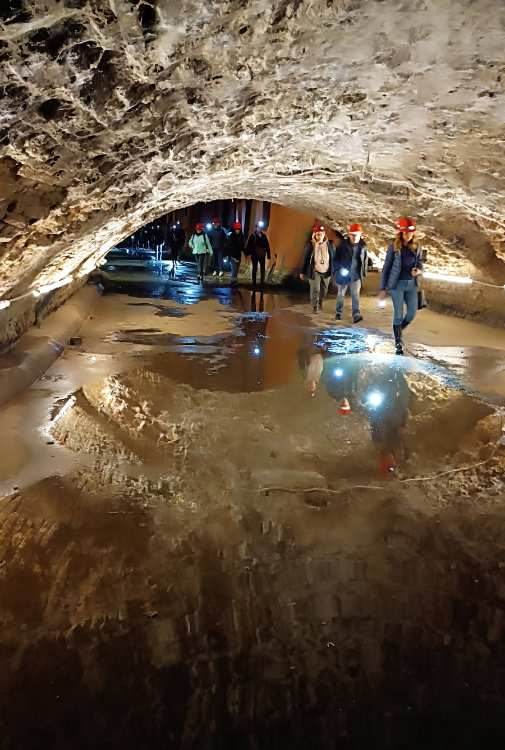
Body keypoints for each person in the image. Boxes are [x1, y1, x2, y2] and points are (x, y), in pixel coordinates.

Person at [379, 217, 423, 355]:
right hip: (396, 285)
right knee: (398, 315)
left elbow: (421, 264)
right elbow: (386, 267)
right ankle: (398, 343)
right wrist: (383, 288)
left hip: (411, 284)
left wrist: (419, 270)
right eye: (406, 232)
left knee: (411, 313)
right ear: (401, 233)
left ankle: (398, 331)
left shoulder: (417, 246)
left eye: (410, 233)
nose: (408, 235)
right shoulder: (394, 247)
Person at [333, 223, 368, 323]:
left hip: (356, 275)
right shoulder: (343, 245)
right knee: (341, 294)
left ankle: (356, 314)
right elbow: (335, 259)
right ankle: (338, 313)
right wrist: (339, 269)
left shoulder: (363, 246)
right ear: (349, 234)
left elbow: (364, 260)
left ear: (360, 235)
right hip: (343, 275)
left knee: (355, 295)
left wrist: (363, 273)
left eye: (356, 234)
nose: (354, 237)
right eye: (352, 234)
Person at [300, 223, 336, 313]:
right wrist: (302, 271)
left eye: (322, 233)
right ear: (314, 235)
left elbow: (334, 258)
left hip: (326, 271)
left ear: (324, 234)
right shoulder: (311, 245)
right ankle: (314, 306)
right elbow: (305, 258)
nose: (320, 235)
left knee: (324, 290)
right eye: (318, 234)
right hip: (314, 270)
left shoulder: (330, 245)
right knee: (315, 289)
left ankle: (320, 302)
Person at [245, 223, 271, 288]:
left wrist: (268, 255)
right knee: (255, 268)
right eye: (258, 227)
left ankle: (262, 282)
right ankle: (254, 282)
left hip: (262, 254)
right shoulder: (253, 236)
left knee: (262, 268)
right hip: (254, 254)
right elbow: (249, 245)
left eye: (260, 228)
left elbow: (267, 245)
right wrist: (247, 254)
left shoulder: (264, 236)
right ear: (256, 228)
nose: (259, 229)